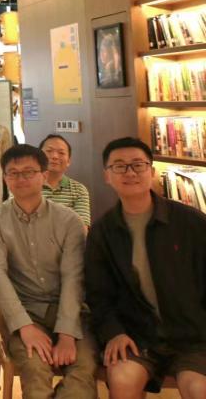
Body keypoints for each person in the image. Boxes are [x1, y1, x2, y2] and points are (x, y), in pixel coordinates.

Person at [85, 137, 206, 398]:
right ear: (107, 176)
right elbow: (98, 294)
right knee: (122, 382)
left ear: (151, 171)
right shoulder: (102, 232)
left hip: (194, 337)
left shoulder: (191, 222)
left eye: (138, 164)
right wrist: (114, 332)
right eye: (119, 166)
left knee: (199, 388)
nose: (130, 172)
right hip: (136, 336)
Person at [0, 144, 96, 399]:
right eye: (13, 173)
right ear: (5, 178)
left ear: (44, 175)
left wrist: (67, 333)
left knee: (82, 371)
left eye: (29, 172)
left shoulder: (69, 220)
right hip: (26, 312)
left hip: (72, 314)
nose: (21, 178)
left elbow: (74, 277)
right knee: (34, 369)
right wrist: (24, 326)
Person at [39, 135, 91, 229]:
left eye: (61, 153)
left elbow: (81, 230)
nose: (54, 156)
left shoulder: (79, 190)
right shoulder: (25, 186)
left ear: (68, 161)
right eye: (49, 151)